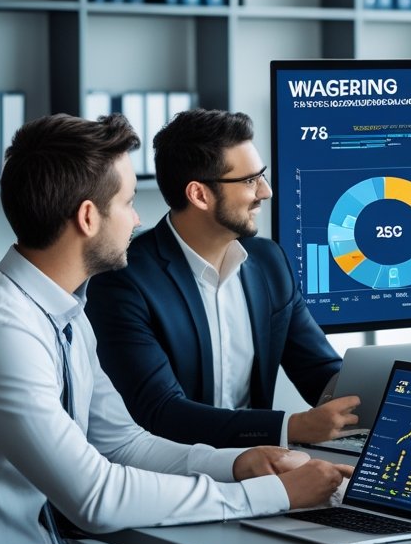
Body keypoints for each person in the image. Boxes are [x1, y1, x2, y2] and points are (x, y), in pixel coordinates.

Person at [0, 113, 351, 544]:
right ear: (88, 216)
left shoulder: (63, 314)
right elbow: (96, 497)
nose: (136, 220)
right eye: (129, 202)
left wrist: (241, 462)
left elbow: (124, 443)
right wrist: (269, 493)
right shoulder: (2, 332)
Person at [86, 108, 359, 449]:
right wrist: (292, 427)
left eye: (262, 176)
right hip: (171, 479)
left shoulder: (269, 261)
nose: (266, 192)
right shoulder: (122, 280)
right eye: (249, 181)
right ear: (199, 194)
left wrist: (385, 392)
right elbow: (160, 412)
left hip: (262, 468)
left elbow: (318, 371)